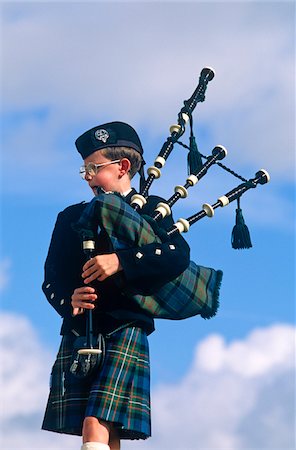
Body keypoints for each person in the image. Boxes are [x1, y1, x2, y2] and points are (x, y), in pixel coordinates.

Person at [41, 121, 190, 450]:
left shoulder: (153, 211)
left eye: (94, 168)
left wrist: (122, 260)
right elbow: (51, 276)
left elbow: (177, 256)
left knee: (96, 422)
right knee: (105, 430)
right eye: (85, 170)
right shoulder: (71, 216)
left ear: (123, 167)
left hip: (125, 327)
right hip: (81, 331)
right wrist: (69, 300)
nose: (89, 177)